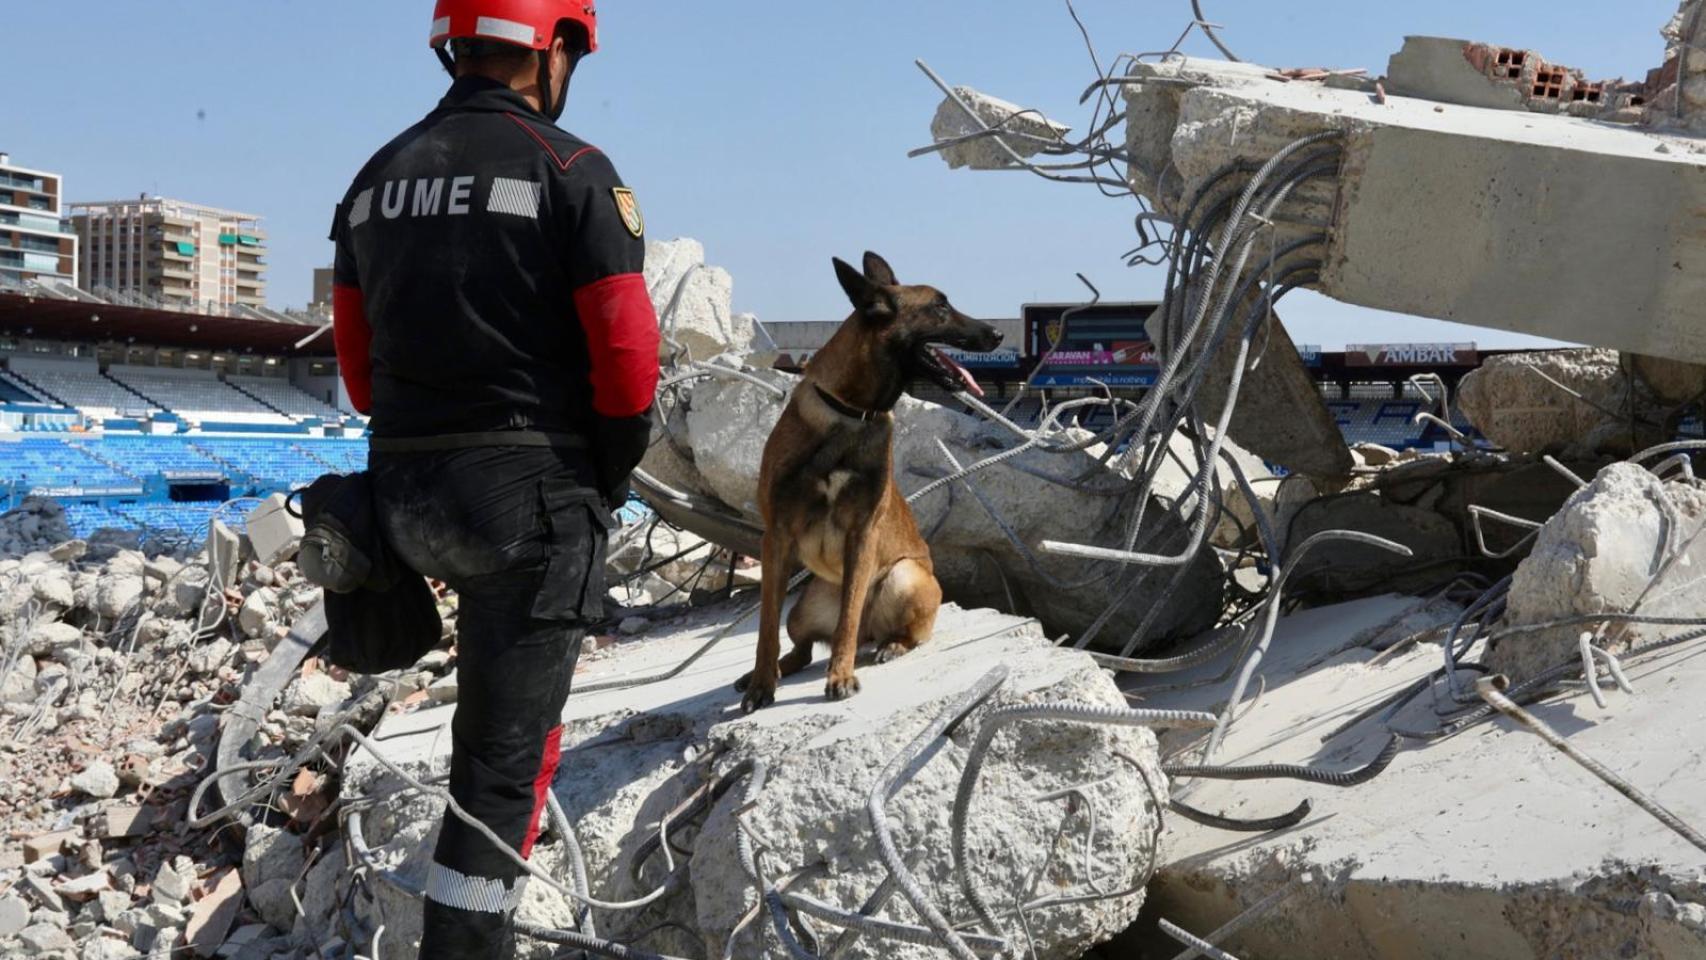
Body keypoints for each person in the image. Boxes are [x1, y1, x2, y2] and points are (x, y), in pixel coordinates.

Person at [327, 2, 660, 956]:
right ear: (552, 46)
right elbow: (630, 365)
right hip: (523, 502)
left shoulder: (374, 178)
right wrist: (601, 476)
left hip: (401, 497)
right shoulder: (575, 171)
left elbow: (358, 377)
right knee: (502, 769)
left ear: (456, 47)